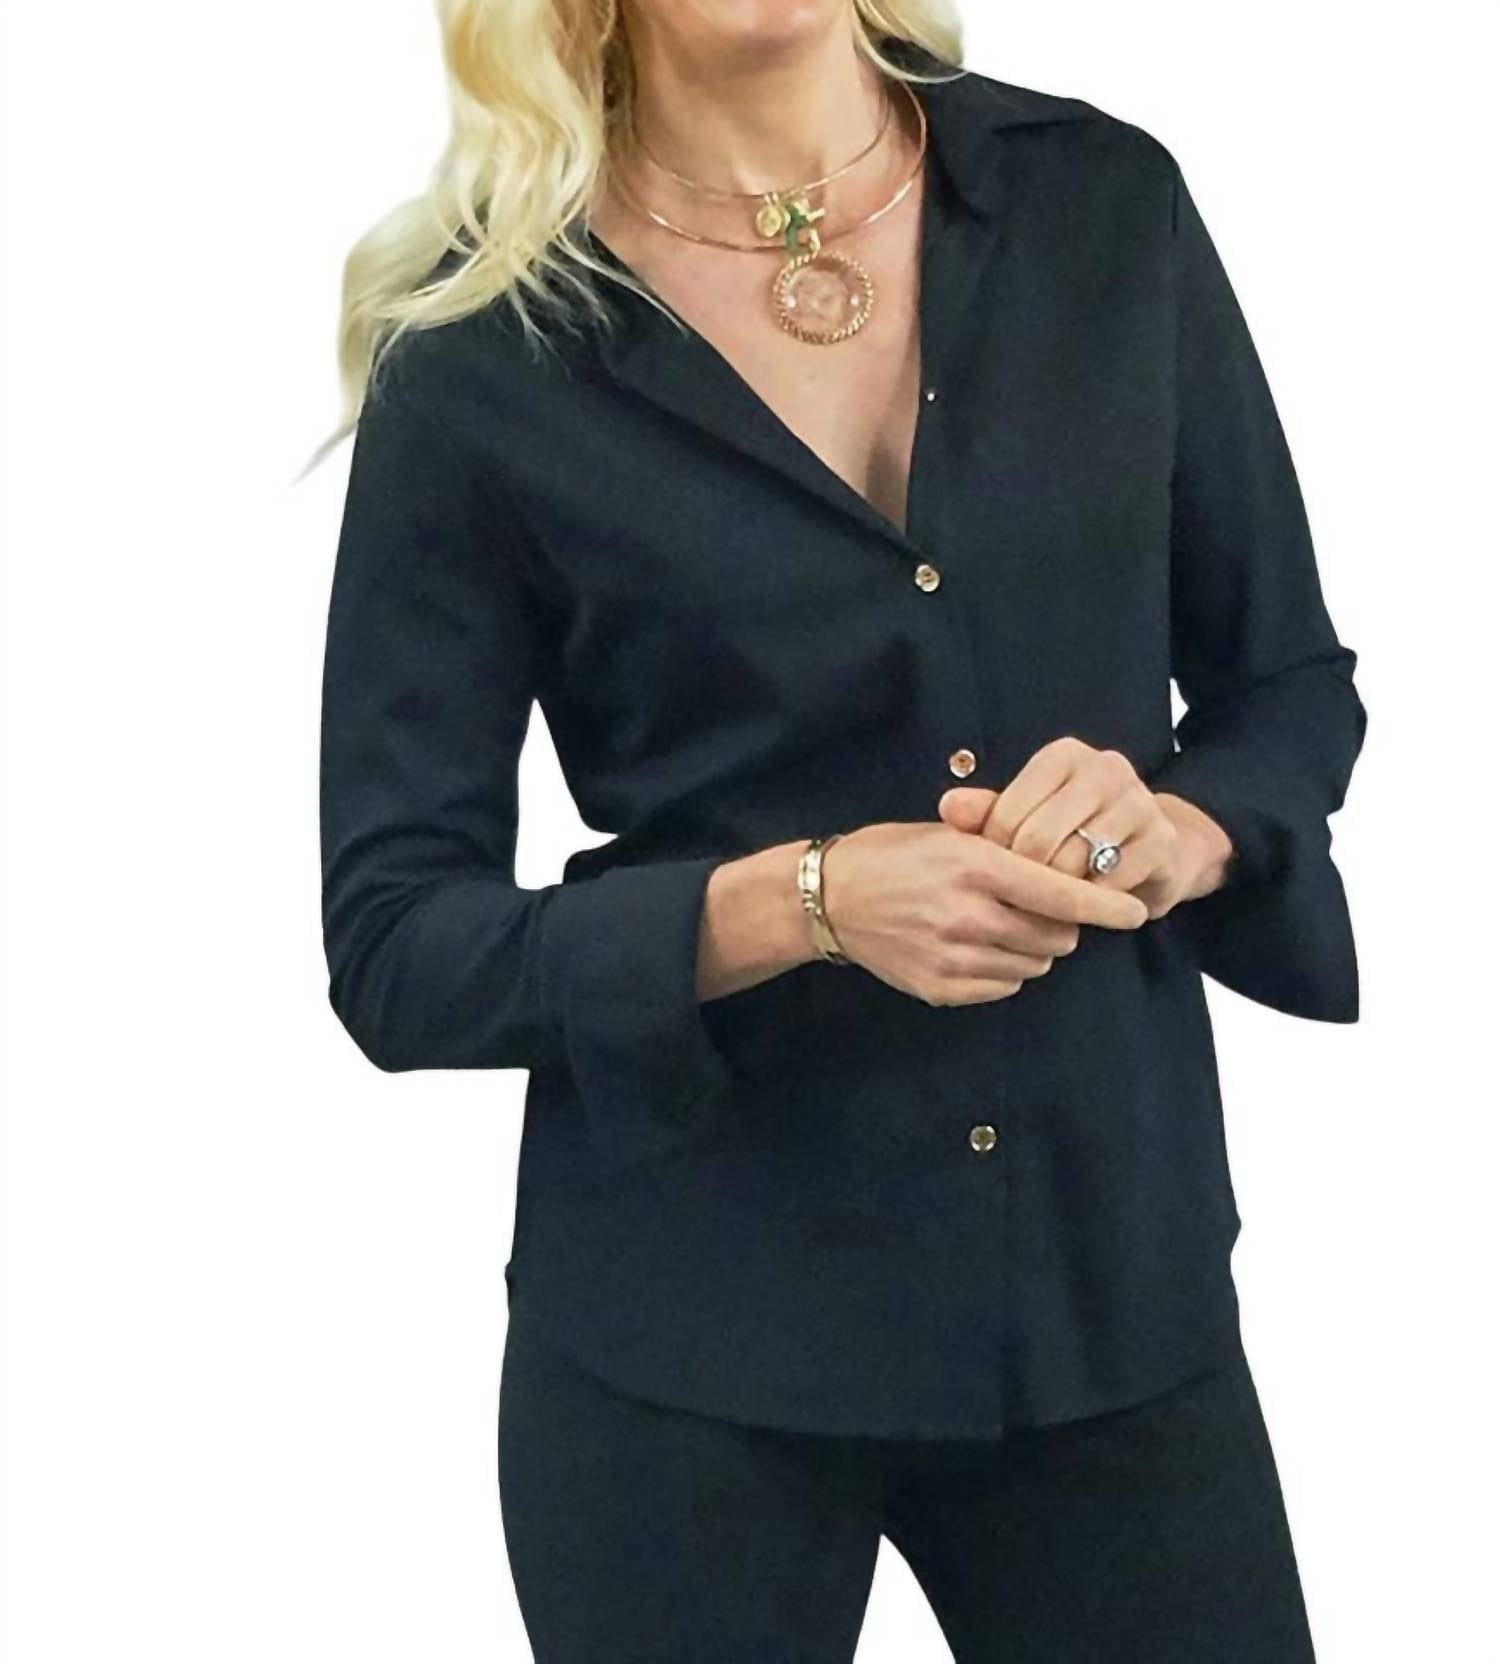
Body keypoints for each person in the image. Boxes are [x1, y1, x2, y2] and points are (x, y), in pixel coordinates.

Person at [316, 3, 1365, 1657]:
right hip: (693, 1351)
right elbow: (397, 941)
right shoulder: (477, 348)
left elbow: (1288, 691)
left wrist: (1179, 828)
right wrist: (798, 902)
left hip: (1106, 1289)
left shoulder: (1102, 203)